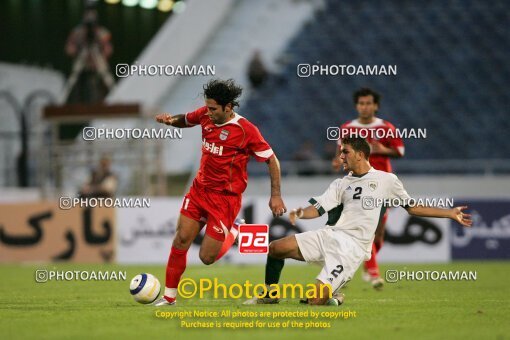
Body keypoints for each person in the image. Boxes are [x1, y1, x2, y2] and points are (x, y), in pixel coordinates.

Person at [246, 137, 471, 305]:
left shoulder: (386, 180)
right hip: (330, 235)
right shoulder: (341, 183)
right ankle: (270, 295)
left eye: (345, 152)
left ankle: (335, 292)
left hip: (352, 248)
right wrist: (300, 213)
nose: (340, 156)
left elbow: (413, 208)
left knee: (314, 301)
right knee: (275, 248)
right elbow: (319, 208)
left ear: (361, 155)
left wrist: (449, 213)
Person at [152, 79, 287, 306]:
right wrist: (170, 120)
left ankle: (233, 231)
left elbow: (272, 160)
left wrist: (275, 195)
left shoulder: (246, 131)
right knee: (181, 239)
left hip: (225, 199)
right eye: (207, 107)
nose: (209, 112)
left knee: (206, 258)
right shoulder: (206, 115)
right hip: (199, 190)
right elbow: (185, 120)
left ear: (228, 107)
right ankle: (169, 298)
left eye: (214, 109)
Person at [331, 88, 404, 289]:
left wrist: (383, 150)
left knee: (378, 235)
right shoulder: (347, 127)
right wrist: (338, 161)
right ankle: (373, 273)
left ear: (376, 106)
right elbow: (341, 151)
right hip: (358, 186)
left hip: (383, 185)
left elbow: (400, 151)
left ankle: (349, 267)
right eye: (361, 103)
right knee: (366, 231)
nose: (365, 107)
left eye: (369, 103)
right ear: (357, 106)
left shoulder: (386, 128)